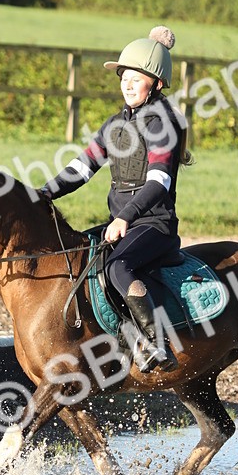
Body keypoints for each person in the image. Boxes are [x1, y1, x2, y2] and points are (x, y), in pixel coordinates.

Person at [40, 25, 192, 374]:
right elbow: (80, 169)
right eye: (124, 76)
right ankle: (115, 339)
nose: (126, 83)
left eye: (135, 78)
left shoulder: (161, 125)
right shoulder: (114, 126)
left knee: (118, 266)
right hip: (122, 225)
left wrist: (124, 218)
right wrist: (42, 194)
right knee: (83, 259)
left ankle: (157, 343)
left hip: (154, 225)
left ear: (155, 84)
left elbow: (159, 182)